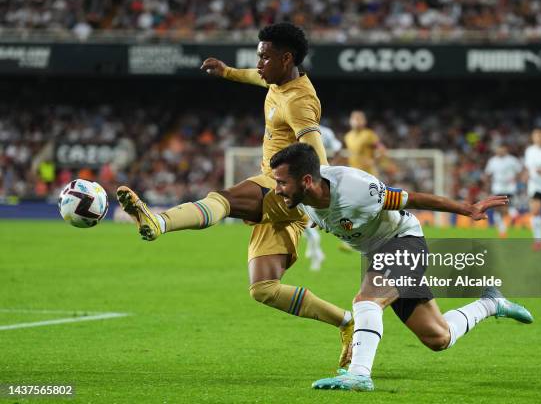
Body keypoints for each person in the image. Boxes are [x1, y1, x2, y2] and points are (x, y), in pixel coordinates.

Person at [116, 23, 354, 367]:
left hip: (287, 189)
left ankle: (159, 221)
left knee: (224, 199)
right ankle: (347, 321)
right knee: (264, 290)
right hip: (285, 195)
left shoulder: (300, 102)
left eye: (264, 57)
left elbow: (317, 154)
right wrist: (227, 71)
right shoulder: (277, 80)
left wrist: (321, 199)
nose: (258, 64)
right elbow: (255, 78)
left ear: (286, 59)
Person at [269, 143, 534, 391]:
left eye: (282, 183)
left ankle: (359, 374)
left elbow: (414, 199)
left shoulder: (357, 190)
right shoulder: (302, 194)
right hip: (379, 255)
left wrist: (468, 209)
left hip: (404, 241)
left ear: (305, 181)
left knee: (367, 300)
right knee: (438, 337)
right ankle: (491, 303)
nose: (278, 189)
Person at [303, 124, 343, 271]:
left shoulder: (320, 131)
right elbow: (338, 148)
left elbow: (338, 149)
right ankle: (314, 247)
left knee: (303, 215)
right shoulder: (326, 131)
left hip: (310, 178)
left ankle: (315, 246)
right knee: (304, 217)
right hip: (319, 176)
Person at [484, 144, 523, 237]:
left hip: (510, 188)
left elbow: (520, 171)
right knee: (498, 209)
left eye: (502, 149)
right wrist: (487, 185)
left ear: (506, 150)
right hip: (497, 187)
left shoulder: (512, 160)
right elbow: (487, 174)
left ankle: (513, 214)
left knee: (505, 206)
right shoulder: (492, 161)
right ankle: (503, 230)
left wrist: (516, 179)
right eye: (499, 150)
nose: (500, 151)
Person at [344, 110, 384, 176]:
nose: (356, 121)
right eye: (354, 118)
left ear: (364, 121)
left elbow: (382, 150)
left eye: (359, 118)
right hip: (354, 172)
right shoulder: (348, 136)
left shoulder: (369, 134)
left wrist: (374, 161)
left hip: (368, 173)